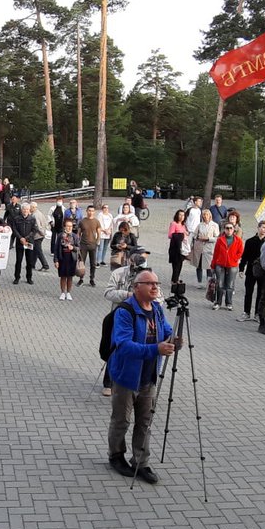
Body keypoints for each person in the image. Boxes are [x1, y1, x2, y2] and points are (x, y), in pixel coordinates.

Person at [106, 270, 176, 485]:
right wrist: (156, 349)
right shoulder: (125, 312)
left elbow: (166, 331)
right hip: (126, 376)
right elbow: (124, 346)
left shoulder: (156, 309)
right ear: (136, 287)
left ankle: (141, 462)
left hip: (149, 376)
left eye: (157, 283)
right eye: (150, 283)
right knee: (122, 421)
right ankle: (116, 456)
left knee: (145, 422)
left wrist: (175, 339)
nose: (155, 287)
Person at [103, 247, 153, 396]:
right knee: (114, 349)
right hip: (119, 317)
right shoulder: (119, 273)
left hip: (141, 321)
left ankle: (135, 382)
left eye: (144, 259)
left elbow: (159, 298)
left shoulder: (148, 276)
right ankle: (108, 382)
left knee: (137, 349)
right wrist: (128, 295)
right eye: (139, 258)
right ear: (131, 259)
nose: (142, 262)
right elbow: (108, 293)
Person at [238, 221, 265, 323]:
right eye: (263, 227)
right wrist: (241, 269)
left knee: (261, 293)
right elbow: (245, 256)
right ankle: (246, 312)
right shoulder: (250, 241)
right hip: (251, 270)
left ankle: (257, 314)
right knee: (248, 292)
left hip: (264, 271)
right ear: (258, 228)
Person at [211, 221, 244, 312]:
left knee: (230, 285)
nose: (229, 230)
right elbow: (216, 253)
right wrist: (213, 265)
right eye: (227, 228)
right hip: (220, 264)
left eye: (231, 228)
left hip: (232, 264)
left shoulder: (238, 240)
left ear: (234, 230)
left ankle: (229, 303)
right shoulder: (220, 240)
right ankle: (218, 302)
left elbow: (240, 252)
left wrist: (234, 259)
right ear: (224, 230)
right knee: (220, 284)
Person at [53, 218, 81, 300]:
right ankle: (62, 292)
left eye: (71, 226)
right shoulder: (60, 236)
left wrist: (73, 248)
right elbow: (56, 248)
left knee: (70, 277)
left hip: (71, 258)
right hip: (62, 258)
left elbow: (79, 248)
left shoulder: (75, 236)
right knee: (63, 276)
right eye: (67, 226)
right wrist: (56, 260)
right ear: (64, 226)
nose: (69, 228)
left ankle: (68, 293)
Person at [12, 204, 39, 285]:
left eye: (27, 209)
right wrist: (20, 238)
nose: (25, 211)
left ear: (29, 210)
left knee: (29, 261)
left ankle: (29, 277)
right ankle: (17, 277)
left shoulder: (32, 219)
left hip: (29, 242)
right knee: (18, 261)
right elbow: (14, 229)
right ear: (21, 210)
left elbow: (34, 230)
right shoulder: (17, 218)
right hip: (19, 242)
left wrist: (26, 238)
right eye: (24, 209)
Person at [190, 209, 219, 284]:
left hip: (209, 248)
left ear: (210, 215)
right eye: (204, 215)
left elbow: (217, 238)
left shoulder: (214, 225)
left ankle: (208, 282)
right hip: (199, 247)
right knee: (198, 265)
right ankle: (199, 282)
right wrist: (197, 238)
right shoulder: (200, 225)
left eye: (206, 214)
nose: (205, 216)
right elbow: (194, 235)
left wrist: (208, 238)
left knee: (209, 267)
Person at [76, 206, 101, 287]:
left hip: (93, 245)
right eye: (89, 211)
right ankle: (81, 279)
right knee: (81, 263)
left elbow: (99, 232)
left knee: (93, 263)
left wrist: (97, 242)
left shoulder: (96, 221)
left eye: (92, 211)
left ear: (94, 212)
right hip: (83, 245)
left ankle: (92, 279)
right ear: (86, 211)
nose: (91, 212)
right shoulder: (82, 221)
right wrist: (78, 243)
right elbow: (78, 233)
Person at [166, 210, 187, 284]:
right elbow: (170, 235)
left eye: (183, 215)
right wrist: (180, 235)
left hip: (182, 247)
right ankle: (174, 280)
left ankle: (176, 279)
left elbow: (185, 235)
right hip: (175, 247)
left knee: (180, 264)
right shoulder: (173, 224)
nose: (181, 217)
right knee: (175, 265)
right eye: (180, 215)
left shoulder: (183, 225)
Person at [29, 201, 51, 270]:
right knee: (35, 250)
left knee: (38, 251)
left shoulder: (35, 215)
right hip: (40, 235)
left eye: (30, 207)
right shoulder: (39, 213)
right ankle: (32, 265)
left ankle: (45, 265)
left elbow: (37, 226)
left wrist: (42, 233)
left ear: (33, 207)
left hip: (38, 236)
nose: (29, 209)